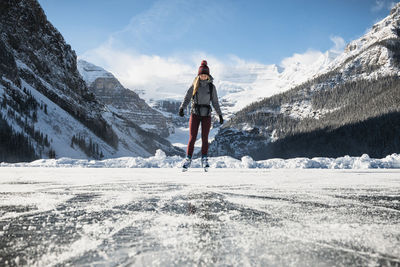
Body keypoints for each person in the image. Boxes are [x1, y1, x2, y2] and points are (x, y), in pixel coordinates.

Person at [179, 60, 223, 170]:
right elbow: (187, 98)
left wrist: (220, 115)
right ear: (199, 75)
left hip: (206, 115)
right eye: (202, 75)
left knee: (205, 138)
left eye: (205, 75)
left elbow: (215, 102)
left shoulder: (211, 87)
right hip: (195, 114)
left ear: (208, 75)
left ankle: (204, 159)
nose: (203, 76)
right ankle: (188, 159)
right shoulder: (194, 85)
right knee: (192, 137)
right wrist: (182, 108)